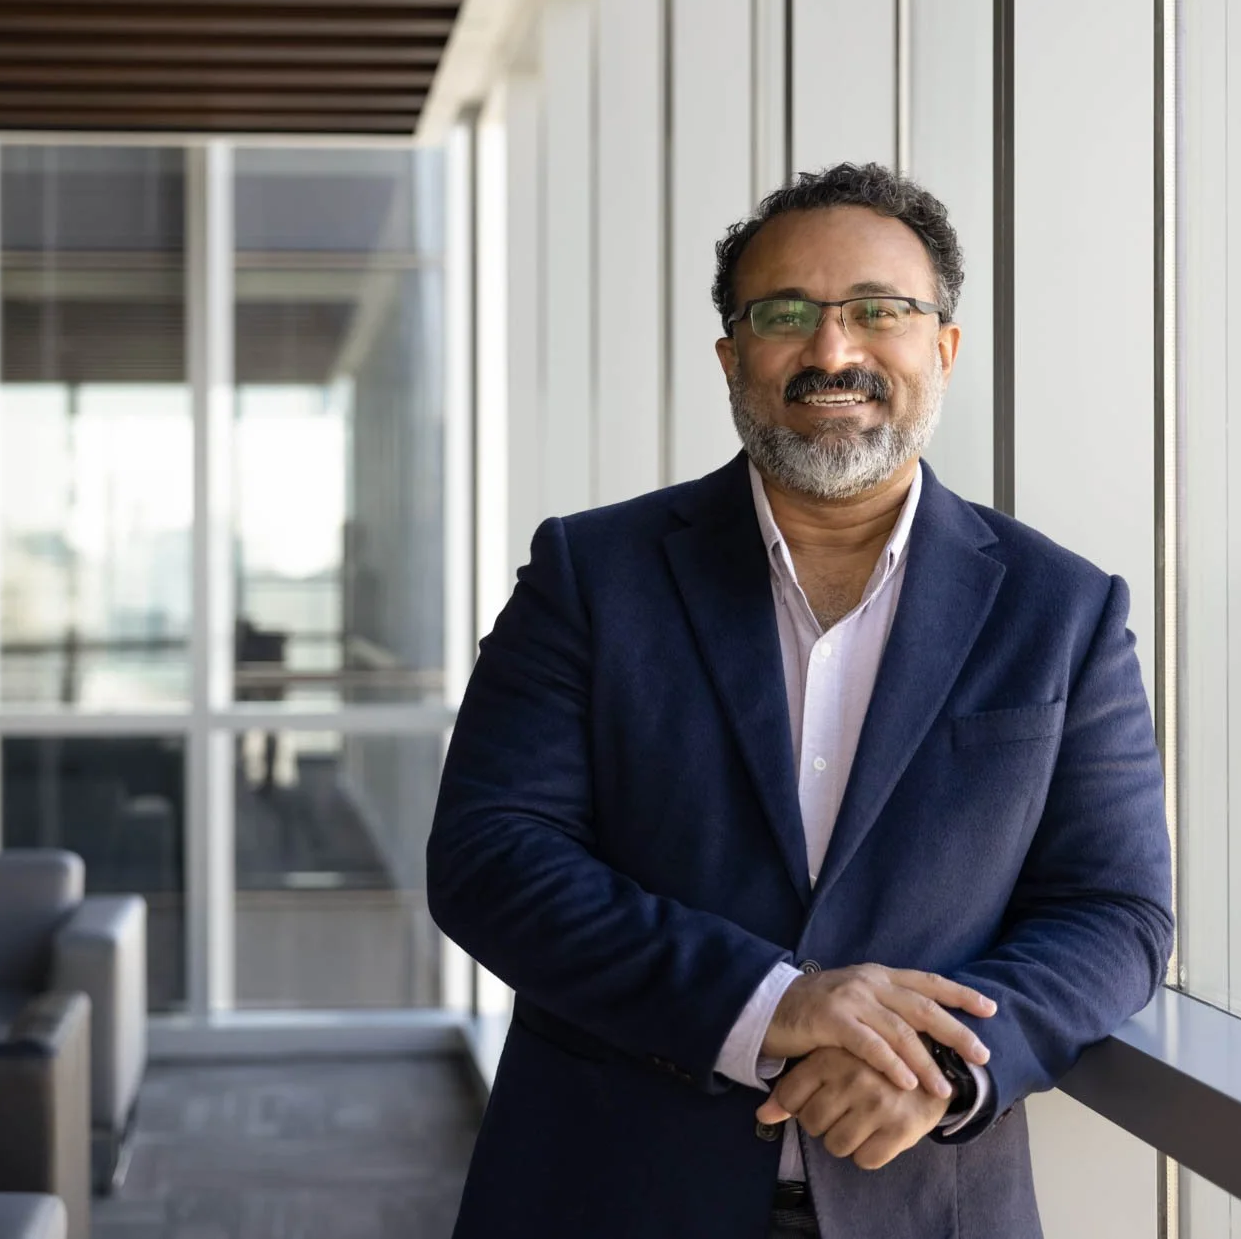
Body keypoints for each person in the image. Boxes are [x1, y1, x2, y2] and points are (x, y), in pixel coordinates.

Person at [427, 162, 1173, 1238]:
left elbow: (1118, 911)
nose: (834, 352)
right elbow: (492, 855)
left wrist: (944, 1066)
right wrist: (769, 1002)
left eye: (881, 312)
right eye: (787, 315)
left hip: (928, 1203)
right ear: (732, 358)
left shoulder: (1063, 607)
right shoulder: (593, 573)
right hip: (607, 1192)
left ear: (943, 349)